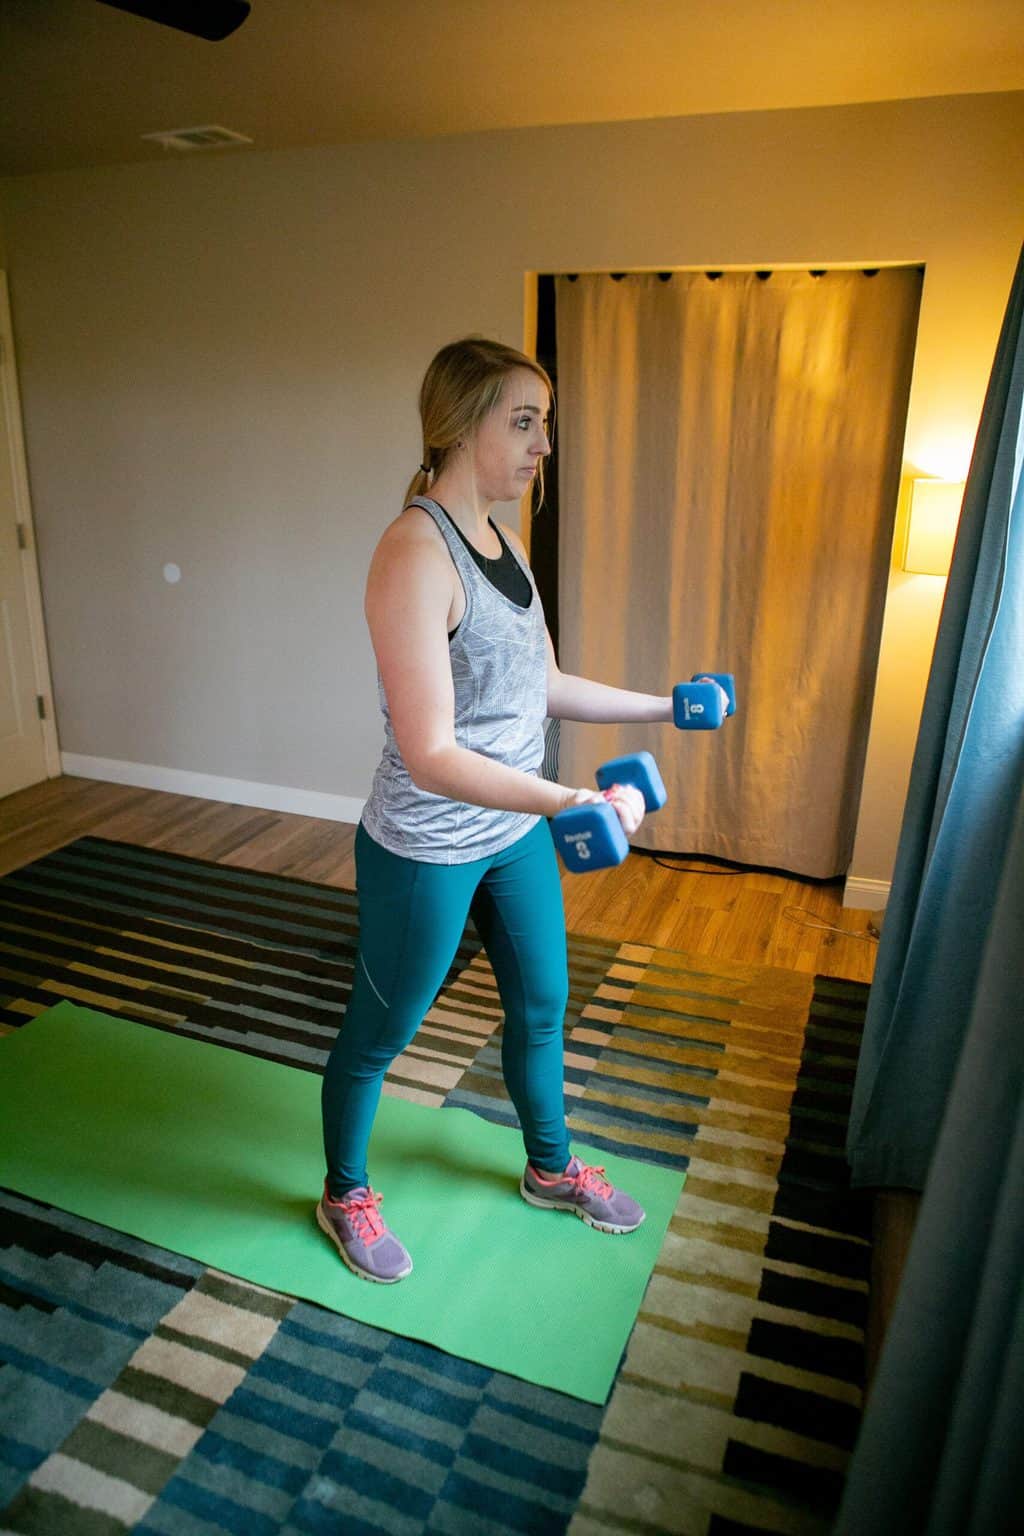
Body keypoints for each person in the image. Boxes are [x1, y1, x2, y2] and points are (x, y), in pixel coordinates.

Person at [317, 335, 682, 1284]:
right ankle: (344, 1191)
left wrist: (663, 705)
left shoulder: (506, 543)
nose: (542, 445)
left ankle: (551, 1170)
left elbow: (543, 684)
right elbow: (433, 755)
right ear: (459, 426)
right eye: (523, 422)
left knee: (543, 1006)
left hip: (512, 834)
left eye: (544, 424)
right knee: (382, 1030)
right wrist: (571, 796)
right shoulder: (412, 553)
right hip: (427, 847)